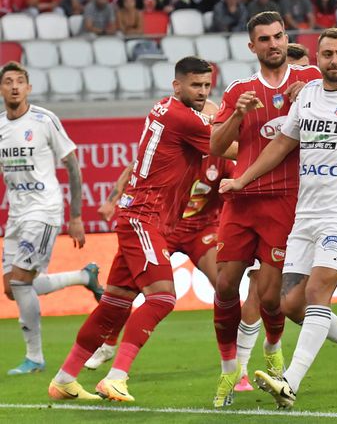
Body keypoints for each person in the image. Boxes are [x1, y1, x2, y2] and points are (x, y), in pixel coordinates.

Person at [220, 27, 337, 409]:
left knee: (317, 293)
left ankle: (289, 382)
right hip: (305, 214)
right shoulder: (309, 95)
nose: (334, 60)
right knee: (289, 305)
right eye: (327, 53)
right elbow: (282, 144)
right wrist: (242, 180)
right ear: (318, 57)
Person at [48, 57, 214, 402]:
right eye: (195, 85)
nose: (201, 92)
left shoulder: (166, 108)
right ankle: (116, 377)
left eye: (206, 85)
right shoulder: (185, 118)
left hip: (141, 216)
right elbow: (227, 146)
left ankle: (65, 378)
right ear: (177, 85)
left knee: (114, 305)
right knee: (163, 297)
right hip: (145, 217)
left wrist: (217, 112)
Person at [208, 11, 321, 409]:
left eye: (278, 36)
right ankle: (228, 372)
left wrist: (307, 102)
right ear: (251, 46)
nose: (273, 44)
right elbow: (216, 147)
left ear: (286, 38)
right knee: (224, 286)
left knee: (272, 299)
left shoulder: (310, 82)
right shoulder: (240, 89)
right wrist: (237, 114)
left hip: (286, 201)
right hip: (241, 202)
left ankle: (273, 348)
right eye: (264, 39)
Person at [83, 100, 235, 370]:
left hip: (201, 228)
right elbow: (134, 168)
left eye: (214, 123)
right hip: (163, 226)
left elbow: (236, 186)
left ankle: (232, 361)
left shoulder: (221, 158)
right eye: (205, 121)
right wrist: (111, 200)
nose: (208, 126)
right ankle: (108, 344)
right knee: (128, 290)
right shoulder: (175, 146)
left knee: (224, 286)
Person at [0, 62, 99, 375]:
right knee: (12, 288)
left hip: (44, 210)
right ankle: (84, 277)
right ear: (1, 89)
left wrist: (77, 216)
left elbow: (72, 166)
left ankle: (35, 358)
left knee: (20, 280)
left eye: (20, 81)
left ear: (29, 88)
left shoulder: (44, 120)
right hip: (16, 214)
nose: (14, 87)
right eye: (8, 82)